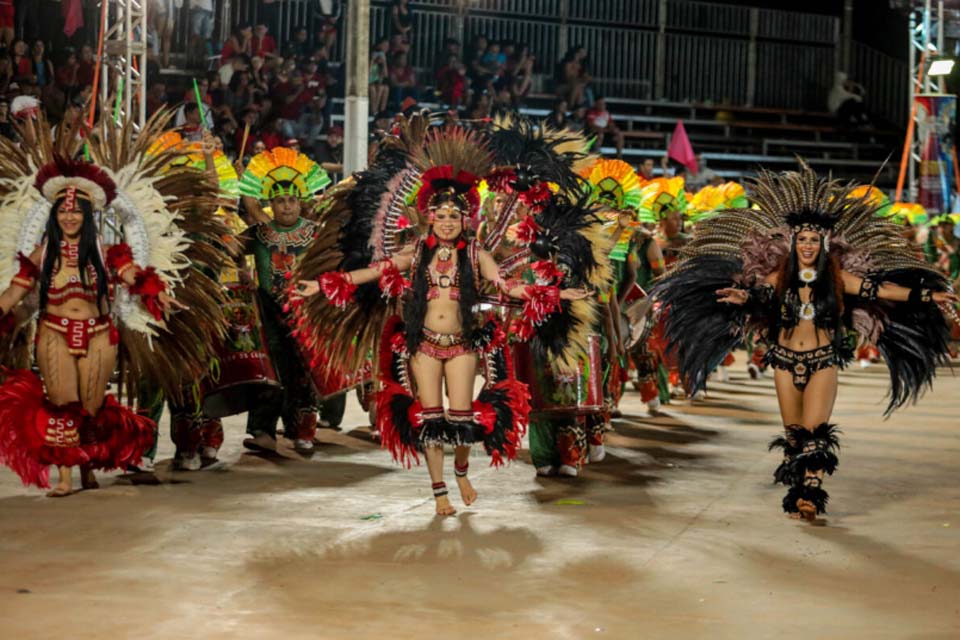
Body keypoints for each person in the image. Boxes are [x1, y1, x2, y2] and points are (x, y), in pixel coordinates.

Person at [295, 115, 599, 514]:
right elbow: (374, 271)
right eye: (441, 216)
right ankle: (439, 492)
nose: (447, 221)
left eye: (454, 216)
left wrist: (557, 292)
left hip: (461, 345)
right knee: (429, 421)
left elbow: (511, 288)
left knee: (463, 421)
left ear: (464, 219)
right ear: (430, 217)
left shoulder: (477, 255)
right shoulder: (416, 252)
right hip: (422, 345)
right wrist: (322, 284)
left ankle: (460, 471)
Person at [652, 165, 957, 522]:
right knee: (795, 437)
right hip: (784, 361)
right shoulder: (777, 276)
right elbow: (756, 294)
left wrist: (926, 296)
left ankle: (811, 494)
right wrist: (741, 297)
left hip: (822, 361)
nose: (809, 245)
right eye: (803, 239)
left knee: (815, 436)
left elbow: (884, 290)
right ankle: (798, 479)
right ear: (794, 242)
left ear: (824, 243)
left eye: (815, 240)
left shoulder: (838, 278)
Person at [236, 147, 331, 454]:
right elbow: (232, 249)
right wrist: (242, 274)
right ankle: (263, 431)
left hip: (307, 313)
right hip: (268, 311)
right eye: (279, 200)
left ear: (300, 202)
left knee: (303, 369)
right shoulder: (260, 233)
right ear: (271, 204)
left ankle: (302, 429)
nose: (287, 206)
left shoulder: (316, 234)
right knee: (270, 370)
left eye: (291, 200)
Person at [369, 44, 390, 115]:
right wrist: (372, 60)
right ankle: (374, 110)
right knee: (373, 89)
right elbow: (367, 74)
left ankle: (381, 110)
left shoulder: (380, 66)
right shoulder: (369, 64)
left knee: (385, 88)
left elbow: (386, 76)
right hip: (367, 84)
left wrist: (384, 63)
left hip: (376, 84)